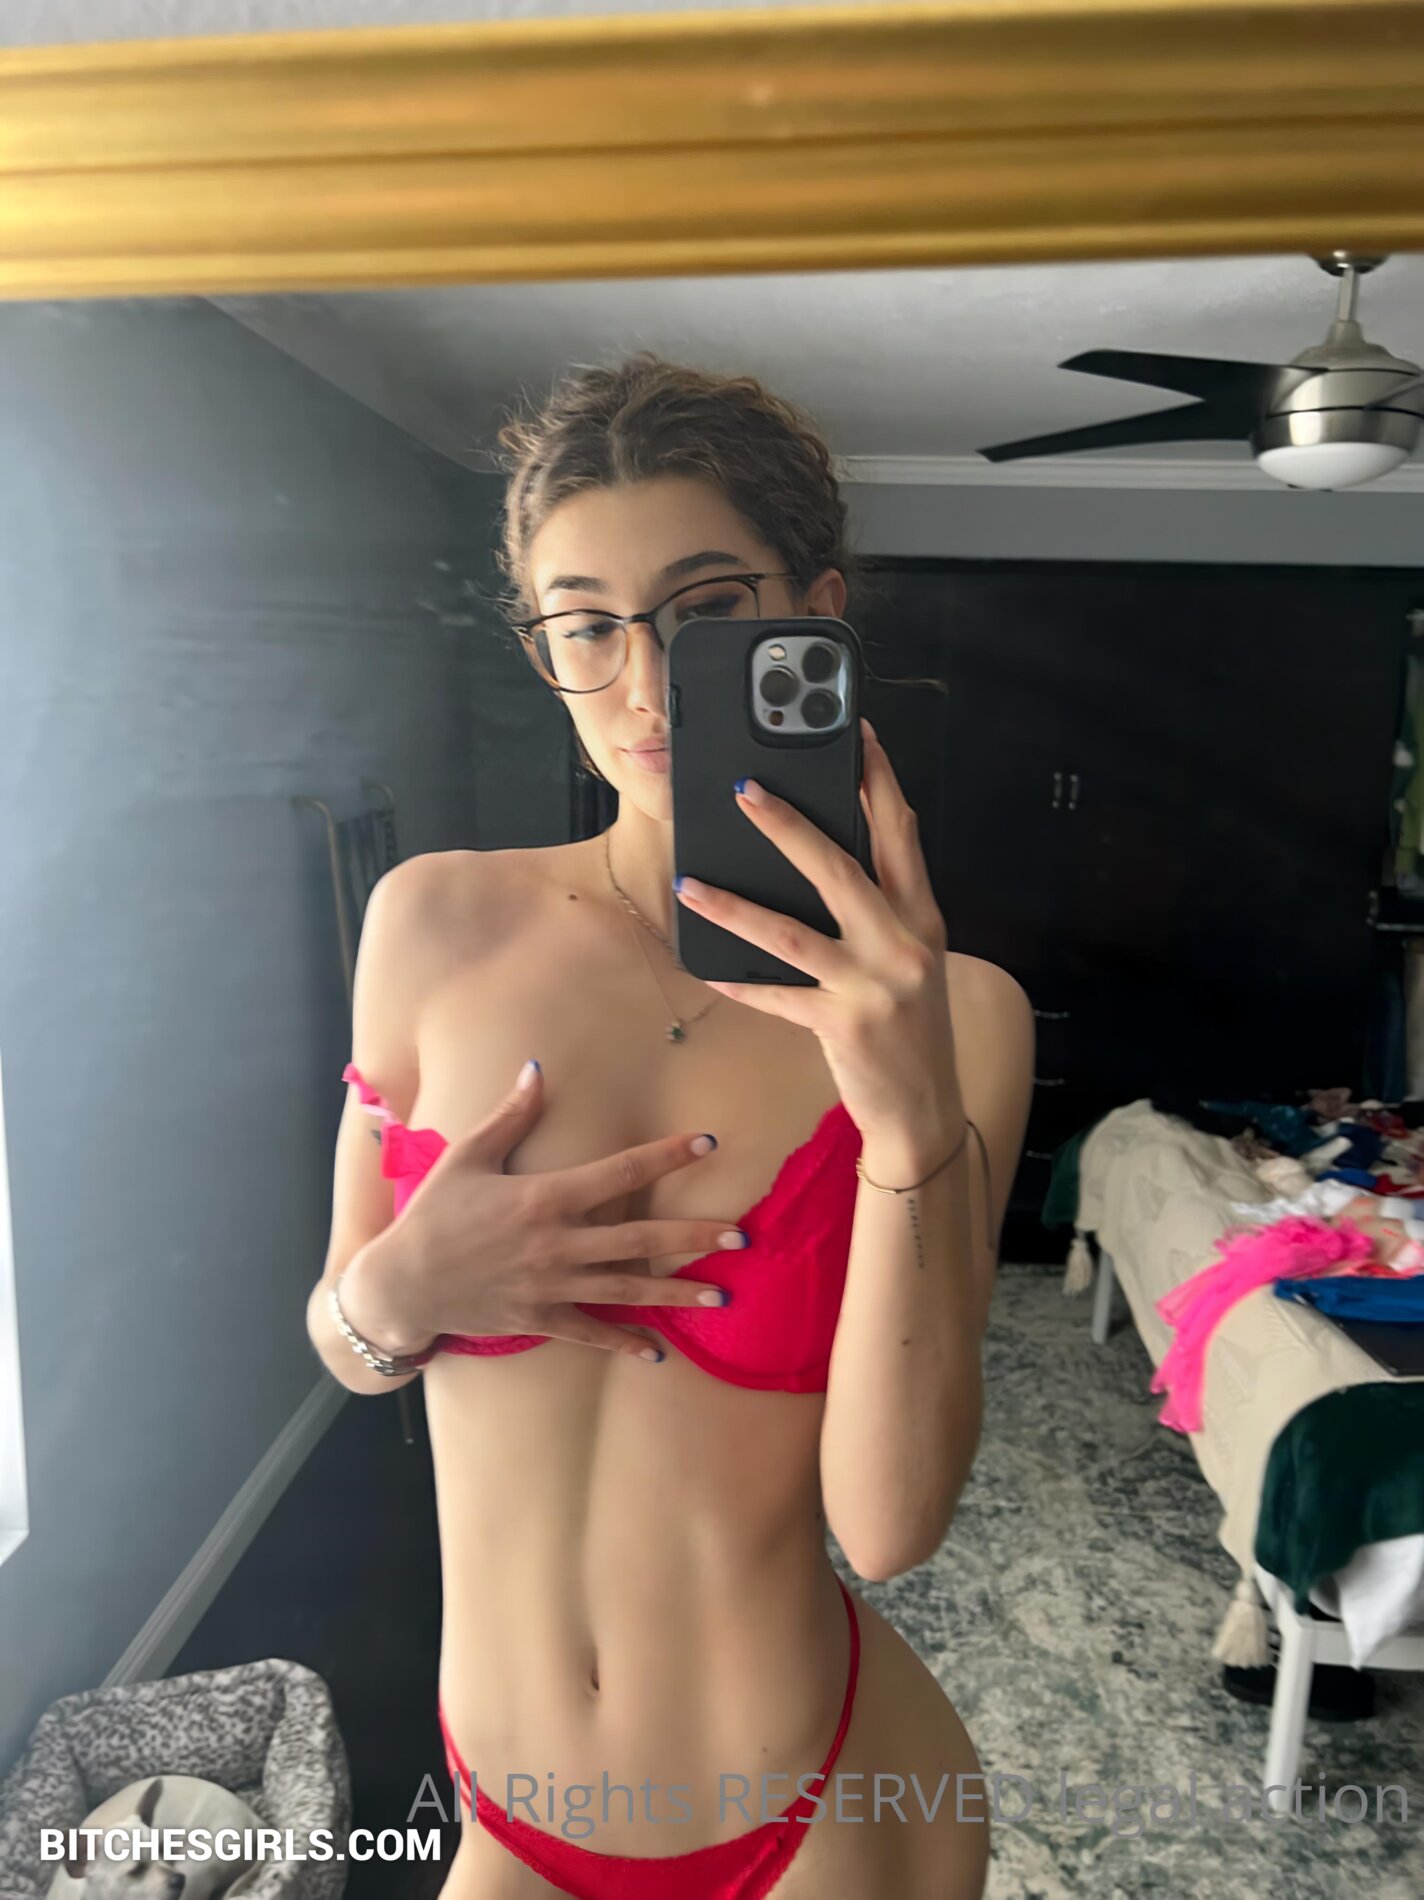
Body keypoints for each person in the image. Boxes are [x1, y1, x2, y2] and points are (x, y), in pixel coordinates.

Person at [306, 352, 1036, 1899]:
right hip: (504, 1810)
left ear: (814, 614)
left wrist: (909, 1122)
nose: (643, 685)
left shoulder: (961, 1018)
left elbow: (891, 1528)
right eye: (586, 625)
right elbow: (346, 1339)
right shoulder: (430, 925)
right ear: (544, 646)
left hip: (825, 1814)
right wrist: (399, 1291)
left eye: (706, 612)